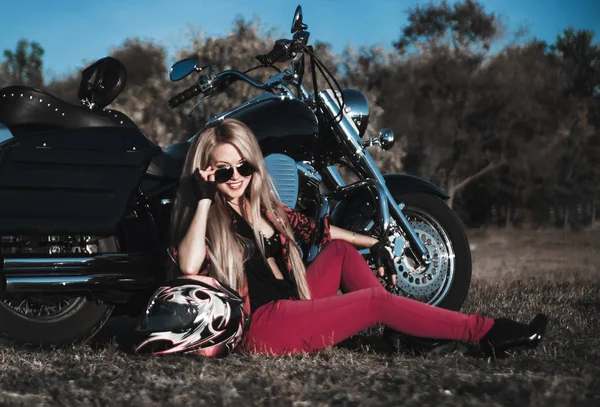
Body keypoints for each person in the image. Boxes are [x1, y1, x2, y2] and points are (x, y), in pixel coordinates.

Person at [166, 118, 548, 358]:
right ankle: (486, 331)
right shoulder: (208, 217)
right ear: (205, 173)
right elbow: (187, 264)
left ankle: (404, 330)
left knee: (339, 252)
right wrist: (202, 198)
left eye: (243, 166)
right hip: (264, 327)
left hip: (295, 304)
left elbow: (320, 231)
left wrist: (375, 244)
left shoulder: (265, 209)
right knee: (373, 303)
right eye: (222, 170)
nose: (234, 177)